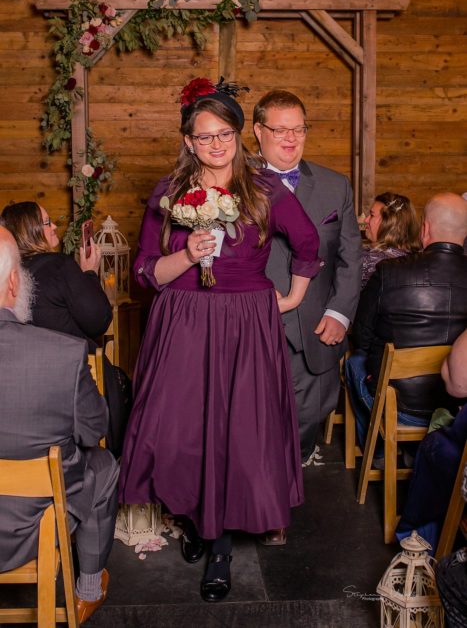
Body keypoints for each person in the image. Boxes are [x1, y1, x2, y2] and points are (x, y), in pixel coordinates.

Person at [118, 78, 321, 602]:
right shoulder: (167, 193)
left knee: (235, 434)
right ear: (188, 140)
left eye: (225, 134)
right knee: (182, 429)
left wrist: (293, 298)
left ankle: (221, 547)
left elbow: (307, 242)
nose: (216, 145)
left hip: (245, 323)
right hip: (183, 319)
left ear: (239, 135)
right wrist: (188, 254)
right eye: (205, 137)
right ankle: (195, 519)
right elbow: (144, 273)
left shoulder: (264, 188)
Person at [252, 90, 361, 543]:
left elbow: (351, 257)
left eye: (299, 128)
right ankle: (267, 506)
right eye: (281, 129)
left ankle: (284, 477)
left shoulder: (336, 186)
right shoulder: (232, 185)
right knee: (256, 420)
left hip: (317, 326)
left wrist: (339, 312)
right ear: (258, 132)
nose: (291, 138)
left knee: (307, 417)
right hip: (255, 323)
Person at [0, 224, 119, 625]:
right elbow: (93, 430)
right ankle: (87, 588)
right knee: (102, 466)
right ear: (14, 282)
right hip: (33, 527)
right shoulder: (63, 354)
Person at [1, 201, 129, 457]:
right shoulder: (59, 266)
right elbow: (98, 320)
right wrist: (90, 273)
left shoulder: (7, 272)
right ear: (31, 230)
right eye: (47, 222)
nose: (55, 227)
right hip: (71, 385)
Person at [347, 192, 467, 463]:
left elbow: (362, 337)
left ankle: (377, 449)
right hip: (456, 407)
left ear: (425, 229)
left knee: (355, 362)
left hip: (399, 407)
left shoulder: (389, 271)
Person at [397, 328, 467, 551]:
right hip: (431, 402)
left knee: (437, 445)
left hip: (406, 404)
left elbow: (457, 383)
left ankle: (417, 542)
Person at [361, 192, 420, 288]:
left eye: (372, 215)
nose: (366, 220)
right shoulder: (418, 257)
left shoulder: (370, 261)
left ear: (388, 223)